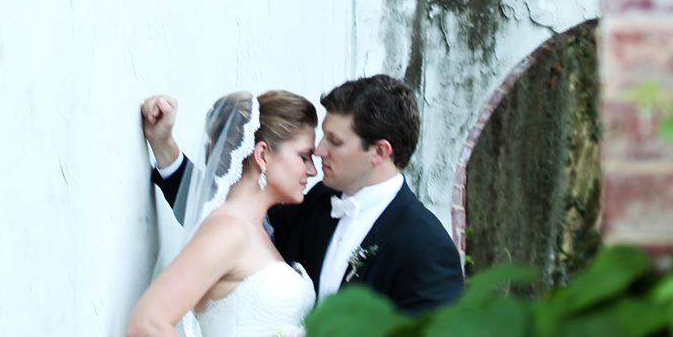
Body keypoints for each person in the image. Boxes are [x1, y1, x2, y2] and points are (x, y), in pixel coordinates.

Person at [143, 75, 463, 317]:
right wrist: (165, 149)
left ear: (379, 152)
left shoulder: (426, 247)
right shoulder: (318, 202)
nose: (320, 151)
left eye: (335, 141)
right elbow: (223, 216)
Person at [124, 91, 320, 337]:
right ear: (263, 155)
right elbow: (147, 324)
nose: (312, 170)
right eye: (304, 157)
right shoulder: (229, 230)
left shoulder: (257, 230)